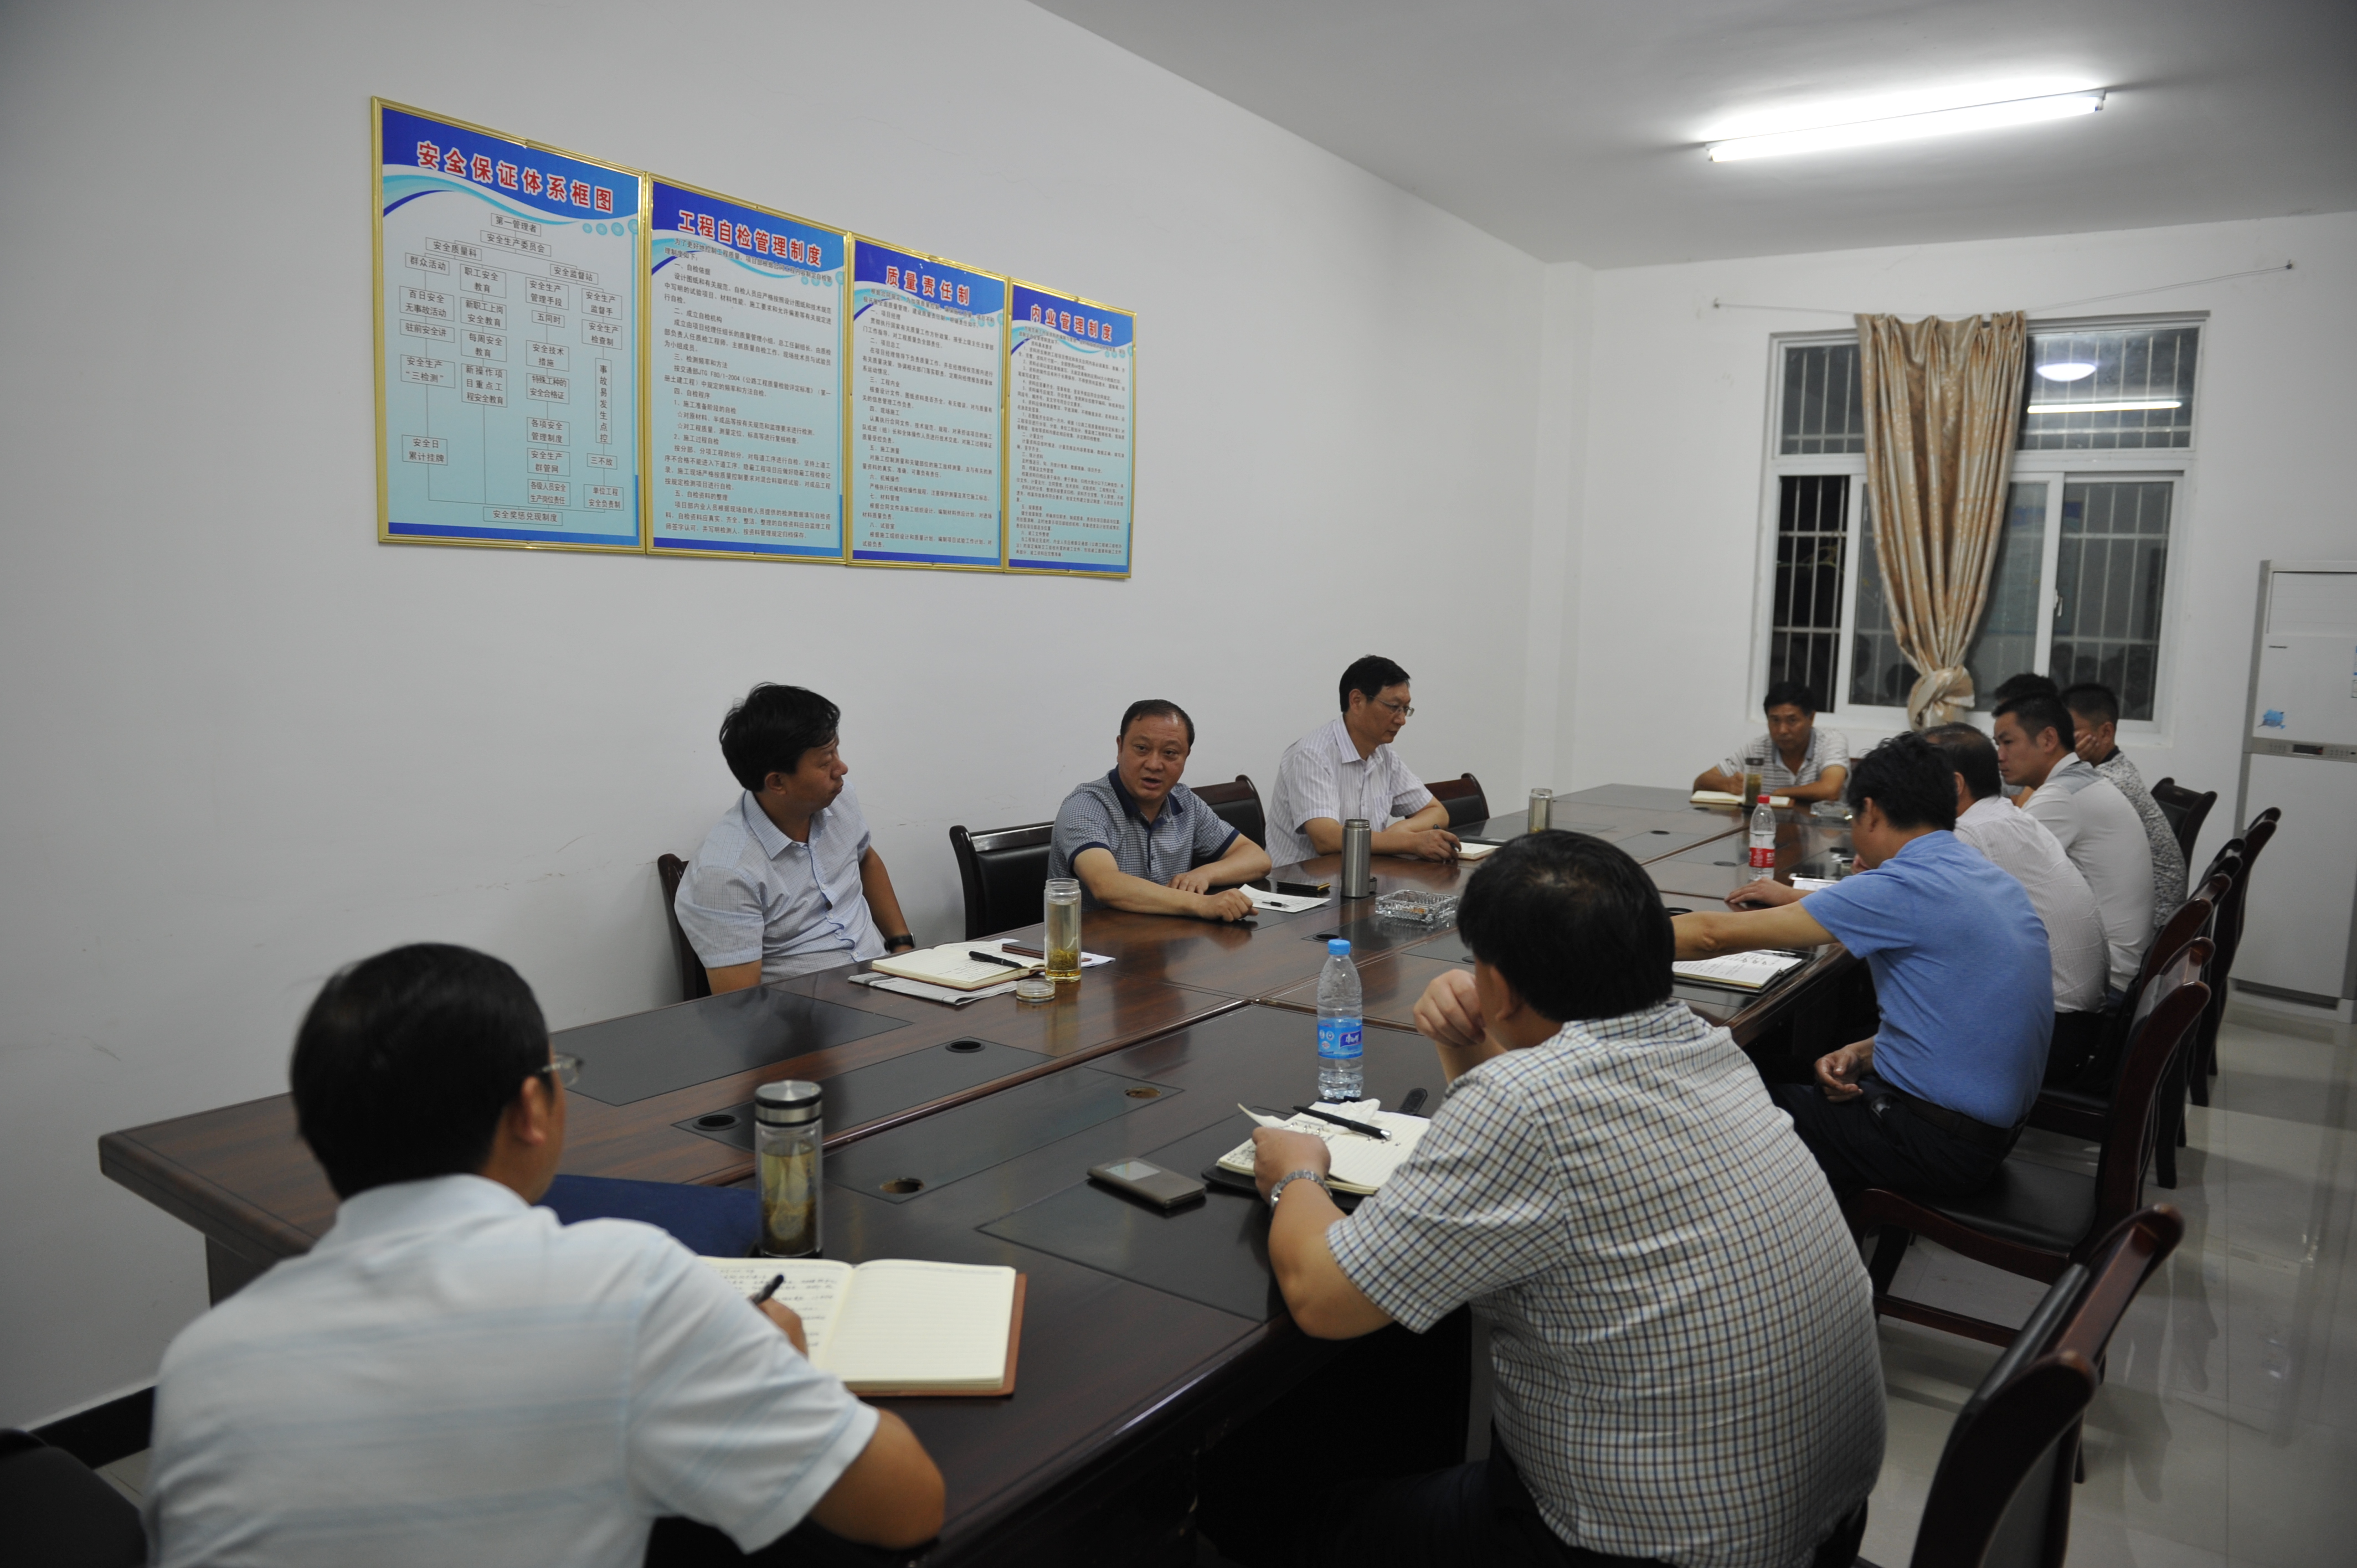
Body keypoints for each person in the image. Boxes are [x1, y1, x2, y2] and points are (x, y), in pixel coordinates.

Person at [1199, 833, 1883, 1568]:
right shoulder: (1708, 1045)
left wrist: (1297, 1172)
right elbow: (1548, 1137)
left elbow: (1322, 1298)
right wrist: (1470, 1040)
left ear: (1499, 985)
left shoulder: (1526, 1105)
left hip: (1648, 1551)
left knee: (1268, 1505)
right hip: (1820, 1525)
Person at [144, 945, 944, 1567]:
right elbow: (907, 1506)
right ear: (533, 1108)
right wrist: (775, 1359)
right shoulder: (628, 1292)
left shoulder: (201, 1362)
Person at [1674, 734, 2052, 1198]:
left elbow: (1713, 936)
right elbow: (1962, 1015)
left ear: (1870, 811)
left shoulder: (1903, 885)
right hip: (1985, 1134)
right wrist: (1863, 1053)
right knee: (1770, 1070)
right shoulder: (1987, 876)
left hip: (1935, 1145)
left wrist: (1606, 937)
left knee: (1710, 1101)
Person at [674, 684, 915, 993]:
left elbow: (865, 858)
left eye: (836, 751)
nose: (841, 768)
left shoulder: (839, 800)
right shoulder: (725, 875)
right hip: (809, 1015)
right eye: (826, 762)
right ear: (777, 782)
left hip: (885, 984)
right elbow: (740, 1006)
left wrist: (901, 946)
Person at [1923, 723, 2111, 1081]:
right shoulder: (2004, 815)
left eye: (1916, 779)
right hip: (2077, 1025)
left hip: (2050, 1034)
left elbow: (1912, 920)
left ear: (1954, 785)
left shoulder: (1970, 834)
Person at [1993, 692, 2155, 999]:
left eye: (2008, 742)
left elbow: (1992, 874)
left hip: (2106, 978)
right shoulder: (2083, 780)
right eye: (1997, 745)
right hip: (2122, 966)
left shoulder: (2061, 795)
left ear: (2048, 739)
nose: (2000, 756)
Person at [1048, 699, 1272, 920]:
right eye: (1142, 749)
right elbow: (1106, 884)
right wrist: (1202, 904)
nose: (1154, 764)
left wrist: (1204, 874)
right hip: (1093, 941)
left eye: (1170, 753)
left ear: (1186, 756)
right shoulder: (1085, 806)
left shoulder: (1185, 802)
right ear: (1120, 747)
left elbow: (1257, 859)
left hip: (1167, 936)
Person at [1263, 655, 1460, 868]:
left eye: (1405, 709)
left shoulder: (1384, 754)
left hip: (1363, 874)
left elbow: (1436, 812)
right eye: (1394, 707)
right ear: (1357, 701)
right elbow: (1326, 839)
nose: (1402, 720)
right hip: (1300, 882)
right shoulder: (1312, 754)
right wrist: (1409, 842)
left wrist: (1400, 832)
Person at [2062, 680, 2189, 931]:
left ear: (2106, 733)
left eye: (2071, 733)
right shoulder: (2114, 767)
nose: (2062, 743)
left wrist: (2064, 764)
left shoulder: (2109, 782)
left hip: (2152, 926)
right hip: (2144, 911)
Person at [1692, 679, 1850, 804]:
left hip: (1823, 830)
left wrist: (1781, 793)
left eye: (1792, 720)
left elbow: (1831, 790)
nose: (1782, 730)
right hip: (1771, 828)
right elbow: (1701, 783)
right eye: (1775, 720)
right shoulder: (1758, 747)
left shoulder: (1831, 741)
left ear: (1811, 718)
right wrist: (1728, 784)